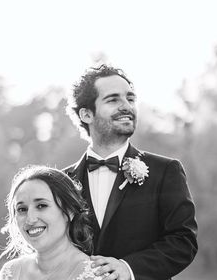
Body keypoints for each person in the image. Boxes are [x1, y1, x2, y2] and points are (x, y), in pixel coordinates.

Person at [64, 65, 198, 280]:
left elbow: (183, 241)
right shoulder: (62, 183)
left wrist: (129, 268)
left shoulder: (165, 171)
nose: (127, 106)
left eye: (130, 98)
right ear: (86, 114)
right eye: (113, 100)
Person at [0, 165, 104, 280]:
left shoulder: (96, 275)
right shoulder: (11, 272)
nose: (30, 219)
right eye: (22, 209)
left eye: (41, 206)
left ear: (69, 210)